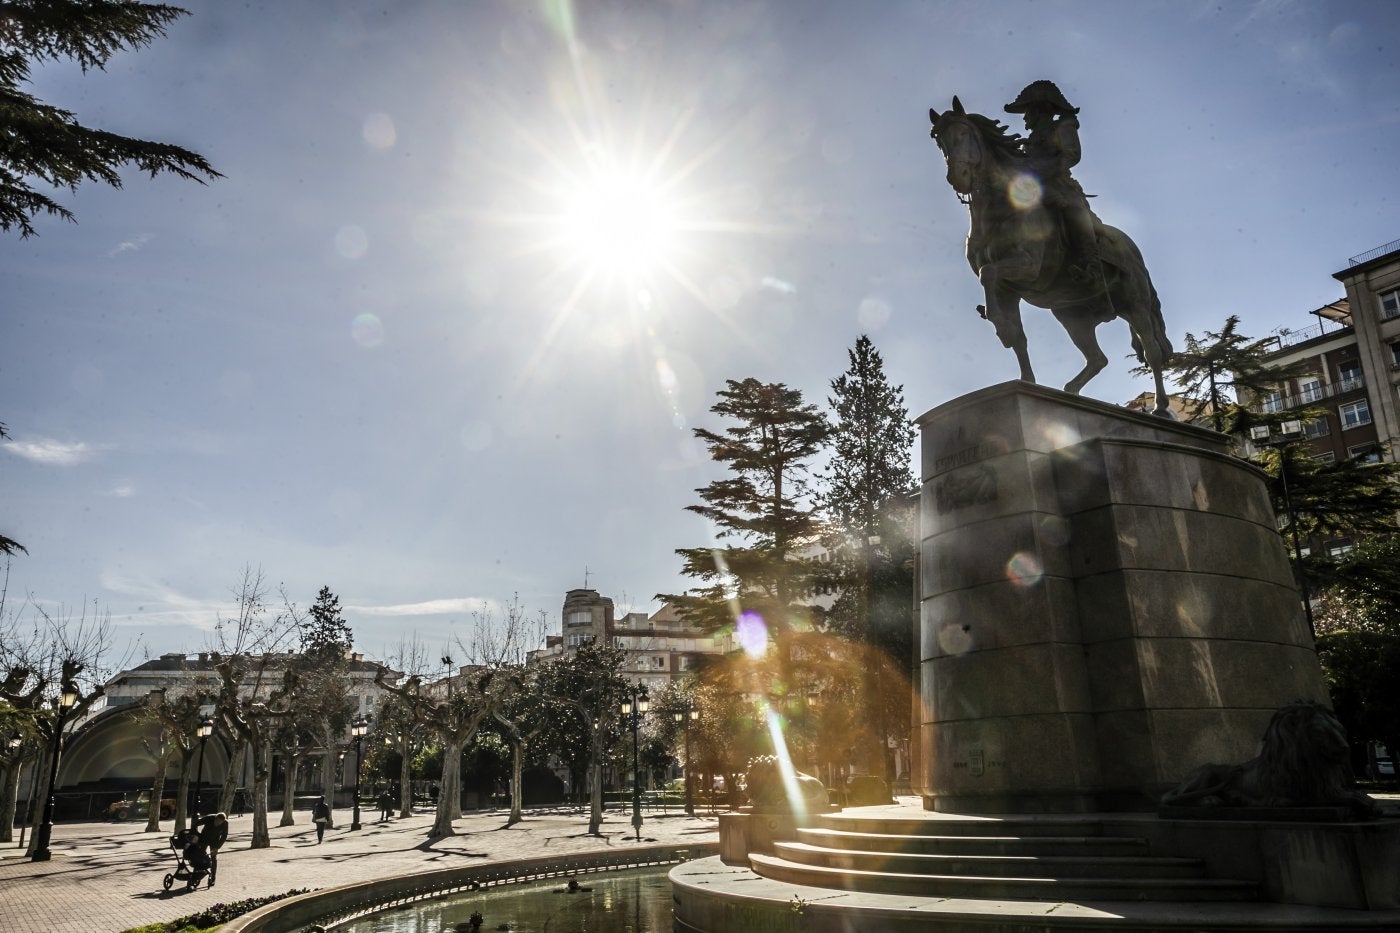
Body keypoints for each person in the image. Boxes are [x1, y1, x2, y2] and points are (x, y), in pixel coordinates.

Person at [1004, 80, 1101, 287]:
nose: (1025, 117)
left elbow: (1072, 155)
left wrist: (1040, 171)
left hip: (1061, 186)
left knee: (1074, 213)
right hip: (1033, 190)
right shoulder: (1029, 140)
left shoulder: (1063, 128)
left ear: (1040, 110)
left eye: (1028, 111)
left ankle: (1091, 266)